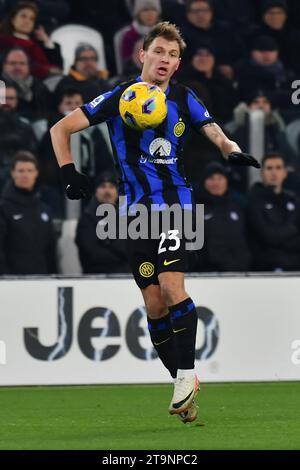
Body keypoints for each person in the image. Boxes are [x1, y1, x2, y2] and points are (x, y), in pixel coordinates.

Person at [50, 21, 260, 424]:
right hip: (133, 214)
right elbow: (61, 129)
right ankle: (182, 383)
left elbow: (212, 129)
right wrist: (68, 172)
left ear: (178, 64)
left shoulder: (184, 98)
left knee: (170, 286)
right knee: (153, 305)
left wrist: (230, 148)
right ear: (141, 55)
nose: (165, 59)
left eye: (172, 55)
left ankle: (185, 375)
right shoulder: (119, 98)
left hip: (176, 207)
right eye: (159, 51)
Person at [0, 151, 57, 275]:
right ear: (13, 173)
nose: (25, 175)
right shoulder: (4, 208)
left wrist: (52, 276)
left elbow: (50, 250)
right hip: (12, 281)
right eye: (21, 171)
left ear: (36, 173)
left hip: (42, 280)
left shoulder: (44, 210)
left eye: (30, 171)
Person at [193, 162, 252, 272]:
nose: (216, 183)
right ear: (204, 182)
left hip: (241, 273)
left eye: (220, 178)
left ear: (226, 181)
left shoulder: (238, 206)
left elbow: (248, 239)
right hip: (207, 275)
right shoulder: (195, 209)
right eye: (211, 178)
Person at [248, 153, 300, 271]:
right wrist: (294, 228)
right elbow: (268, 236)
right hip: (266, 269)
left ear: (285, 173)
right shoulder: (254, 201)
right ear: (262, 173)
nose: (274, 172)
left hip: (296, 267)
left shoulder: (294, 200)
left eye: (278, 167)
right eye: (269, 168)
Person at [76, 172, 130, 274]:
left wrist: (107, 242)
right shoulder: (87, 218)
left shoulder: (127, 217)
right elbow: (92, 254)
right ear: (96, 191)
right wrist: (121, 254)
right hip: (96, 278)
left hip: (127, 278)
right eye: (102, 186)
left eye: (111, 186)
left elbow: (133, 248)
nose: (107, 191)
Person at [0, 1, 63, 78]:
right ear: (13, 20)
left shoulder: (38, 44)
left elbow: (58, 66)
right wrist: (47, 70)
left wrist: (46, 40)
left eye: (32, 19)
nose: (27, 21)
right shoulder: (4, 41)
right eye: (23, 16)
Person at [0, 83, 38, 187]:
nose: (6, 102)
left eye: (11, 98)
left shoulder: (25, 127)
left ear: (16, 101)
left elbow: (32, 155)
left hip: (19, 179)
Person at [1, 46, 52, 118]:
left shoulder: (40, 87)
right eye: (12, 63)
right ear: (4, 65)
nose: (17, 67)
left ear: (29, 66)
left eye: (22, 63)